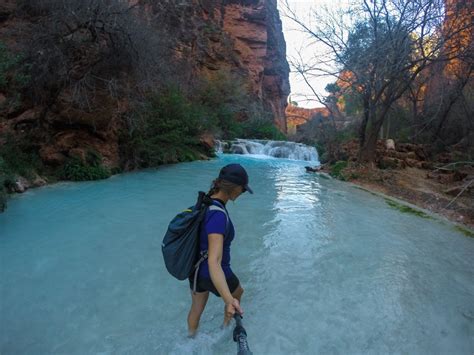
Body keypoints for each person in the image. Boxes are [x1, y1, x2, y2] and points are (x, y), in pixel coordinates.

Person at [187, 163, 253, 337]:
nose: (243, 192)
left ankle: (190, 339)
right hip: (214, 272)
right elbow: (214, 261)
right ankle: (225, 328)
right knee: (238, 292)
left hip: (195, 271)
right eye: (243, 189)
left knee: (196, 308)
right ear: (234, 187)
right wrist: (228, 299)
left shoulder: (205, 204)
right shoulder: (218, 214)